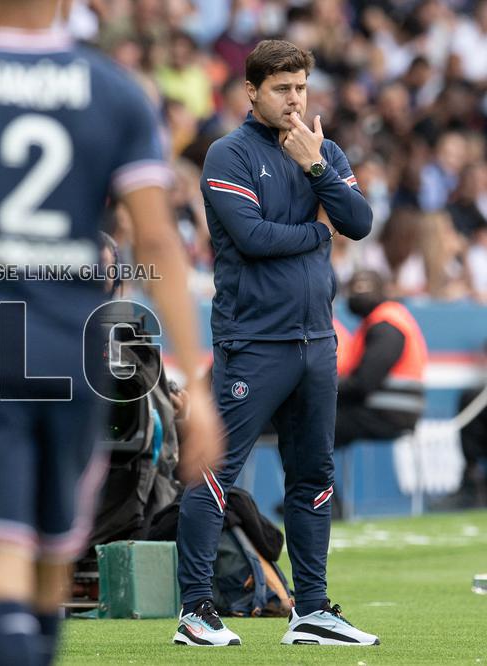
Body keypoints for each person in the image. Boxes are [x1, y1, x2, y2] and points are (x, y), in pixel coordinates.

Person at [0, 1, 223, 664]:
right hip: (73, 349)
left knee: (1, 557)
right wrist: (193, 381)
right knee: (51, 564)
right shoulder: (116, 90)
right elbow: (157, 240)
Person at [176, 39, 379, 647]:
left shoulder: (323, 149)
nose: (295, 100)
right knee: (214, 476)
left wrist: (317, 168)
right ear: (252, 92)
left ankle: (310, 612)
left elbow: (361, 223)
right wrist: (319, 235)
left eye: (301, 88)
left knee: (314, 477)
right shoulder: (227, 154)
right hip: (253, 341)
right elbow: (253, 236)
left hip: (316, 341)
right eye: (282, 89)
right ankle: (195, 613)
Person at [335, 270, 428, 448]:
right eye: (353, 290)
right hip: (386, 410)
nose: (358, 295)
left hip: (390, 412)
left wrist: (321, 390)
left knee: (312, 424)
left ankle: (310, 476)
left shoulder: (387, 327)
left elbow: (363, 383)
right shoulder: (380, 322)